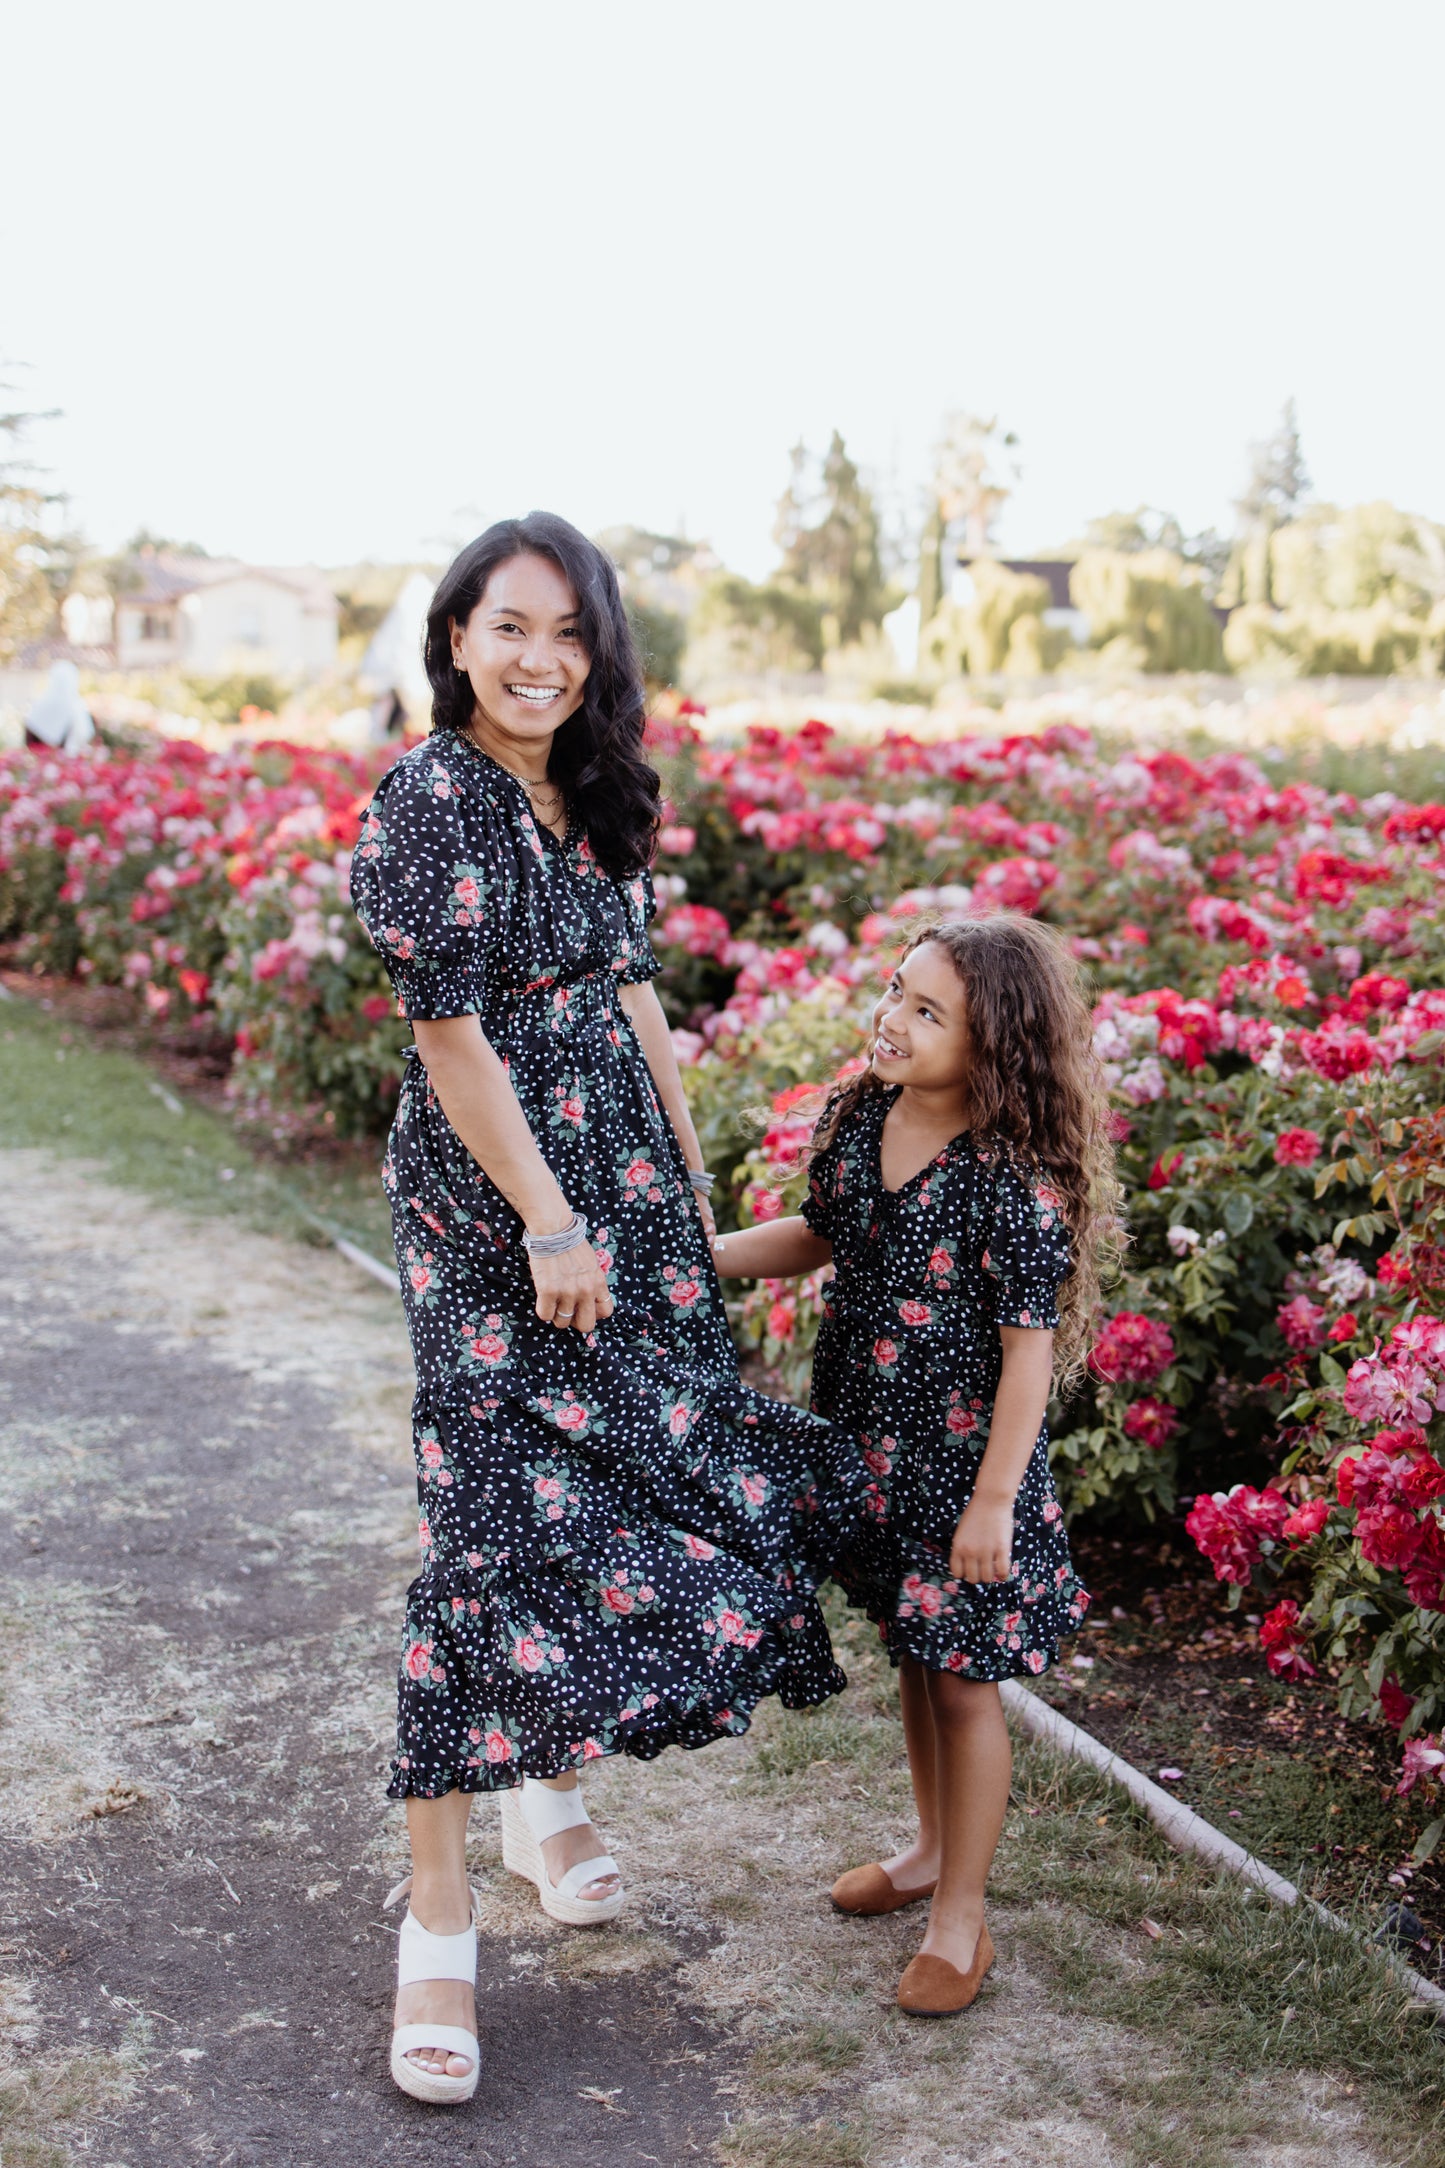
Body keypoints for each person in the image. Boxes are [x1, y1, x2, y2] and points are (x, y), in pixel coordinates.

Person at [350, 513, 862, 2105]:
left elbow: (631, 993)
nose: (538, 660)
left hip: (622, 1187)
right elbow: (451, 1038)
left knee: (625, 1477)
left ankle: (539, 1792)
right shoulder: (427, 798)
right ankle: (440, 1918)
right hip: (499, 1199)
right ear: (453, 638)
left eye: (569, 635)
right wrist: (554, 1219)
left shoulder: (588, 795)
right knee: (491, 1517)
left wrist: (682, 1192)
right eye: (509, 627)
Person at [713, 914, 1118, 2018]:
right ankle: (931, 1849)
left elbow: (1029, 1362)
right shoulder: (860, 1114)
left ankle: (961, 1917)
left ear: (994, 1048)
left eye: (927, 1010)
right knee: (911, 1653)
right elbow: (818, 1232)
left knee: (963, 1682)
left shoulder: (1010, 1184)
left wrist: (994, 1502)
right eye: (895, 989)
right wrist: (701, 1264)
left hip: (963, 1476)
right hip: (871, 1451)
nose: (890, 1016)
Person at [24, 660, 95, 754]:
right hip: (67, 764)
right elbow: (84, 736)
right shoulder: (77, 707)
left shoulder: (39, 705)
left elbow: (29, 739)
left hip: (42, 762)